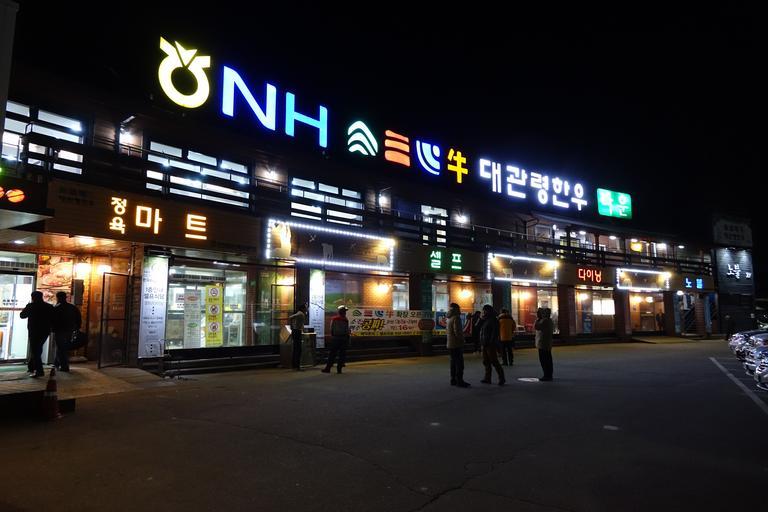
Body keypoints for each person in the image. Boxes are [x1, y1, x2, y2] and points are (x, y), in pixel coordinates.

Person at [19, 291, 54, 378]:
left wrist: (26, 308)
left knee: (35, 350)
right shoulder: (49, 306)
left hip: (34, 331)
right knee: (37, 349)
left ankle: (39, 371)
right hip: (45, 331)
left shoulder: (31, 306)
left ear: (33, 297)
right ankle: (31, 367)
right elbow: (54, 318)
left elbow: (22, 315)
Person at [51, 291, 81, 373]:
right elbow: (78, 318)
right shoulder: (72, 307)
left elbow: (53, 320)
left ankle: (64, 366)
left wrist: (52, 329)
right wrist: (77, 328)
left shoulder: (56, 308)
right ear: (65, 297)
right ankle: (56, 363)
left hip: (59, 330)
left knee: (61, 348)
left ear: (58, 298)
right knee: (63, 347)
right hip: (69, 330)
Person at [479, 304, 505, 386]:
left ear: (488, 311)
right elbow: (478, 327)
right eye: (483, 310)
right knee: (486, 361)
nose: (483, 312)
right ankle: (487, 378)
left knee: (494, 361)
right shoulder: (485, 319)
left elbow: (495, 333)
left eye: (484, 310)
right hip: (484, 343)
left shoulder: (493, 320)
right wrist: (480, 319)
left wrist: (491, 342)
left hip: (490, 344)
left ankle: (501, 378)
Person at [446, 303, 470, 387]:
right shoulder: (456, 318)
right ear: (456, 309)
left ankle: (453, 380)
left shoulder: (449, 318)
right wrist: (462, 340)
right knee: (459, 364)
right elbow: (458, 332)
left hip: (450, 344)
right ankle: (460, 381)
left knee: (453, 363)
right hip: (456, 344)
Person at [323, 305, 350, 374]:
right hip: (343, 338)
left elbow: (331, 328)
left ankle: (328, 368)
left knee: (332, 354)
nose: (345, 313)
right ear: (343, 312)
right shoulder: (345, 320)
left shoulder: (334, 319)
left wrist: (332, 336)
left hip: (335, 338)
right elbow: (347, 330)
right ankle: (339, 369)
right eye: (345, 311)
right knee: (342, 354)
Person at [535, 307, 554, 381]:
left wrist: (538, 319)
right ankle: (549, 374)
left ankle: (547, 375)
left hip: (543, 343)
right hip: (546, 343)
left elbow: (536, 326)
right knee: (548, 359)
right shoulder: (549, 320)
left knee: (544, 360)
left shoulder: (545, 321)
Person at [288, 303, 307, 371]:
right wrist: (291, 326)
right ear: (302, 308)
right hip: (297, 332)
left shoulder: (300, 313)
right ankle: (297, 366)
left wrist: (292, 326)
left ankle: (294, 365)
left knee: (296, 349)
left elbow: (301, 323)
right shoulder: (300, 314)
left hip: (296, 331)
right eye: (305, 308)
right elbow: (290, 317)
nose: (306, 309)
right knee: (298, 349)